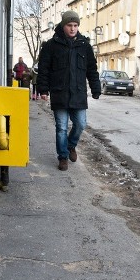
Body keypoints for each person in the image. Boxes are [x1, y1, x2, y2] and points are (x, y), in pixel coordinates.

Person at [37, 11, 101, 171]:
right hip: (59, 93)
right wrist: (43, 89)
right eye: (69, 25)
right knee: (61, 128)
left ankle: (71, 145)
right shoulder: (51, 45)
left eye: (75, 25)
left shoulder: (84, 45)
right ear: (63, 25)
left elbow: (92, 69)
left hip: (78, 93)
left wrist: (95, 88)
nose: (73, 28)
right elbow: (43, 69)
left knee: (80, 124)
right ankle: (63, 157)